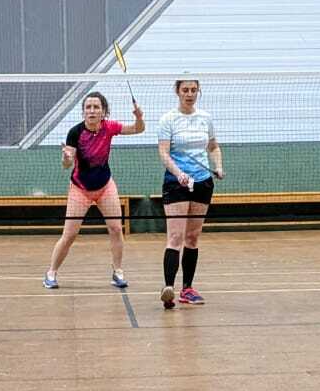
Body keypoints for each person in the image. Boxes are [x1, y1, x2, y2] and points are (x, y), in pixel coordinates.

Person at [44, 91, 144, 290]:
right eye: (88, 107)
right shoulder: (75, 133)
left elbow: (138, 129)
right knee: (69, 234)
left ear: (103, 112)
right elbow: (67, 164)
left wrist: (139, 117)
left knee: (116, 229)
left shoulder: (109, 127)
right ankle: (51, 273)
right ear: (83, 112)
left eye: (96, 107)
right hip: (80, 189)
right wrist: (66, 158)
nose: (92, 110)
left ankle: (118, 271)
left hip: (105, 186)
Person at [157, 79, 223, 308]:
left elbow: (213, 146)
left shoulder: (205, 118)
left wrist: (218, 166)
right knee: (175, 237)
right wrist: (178, 173)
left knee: (193, 237)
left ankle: (187, 289)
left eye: (194, 90)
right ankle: (168, 289)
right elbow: (164, 153)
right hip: (176, 184)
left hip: (203, 182)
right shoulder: (168, 119)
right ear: (177, 92)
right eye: (185, 90)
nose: (189, 94)